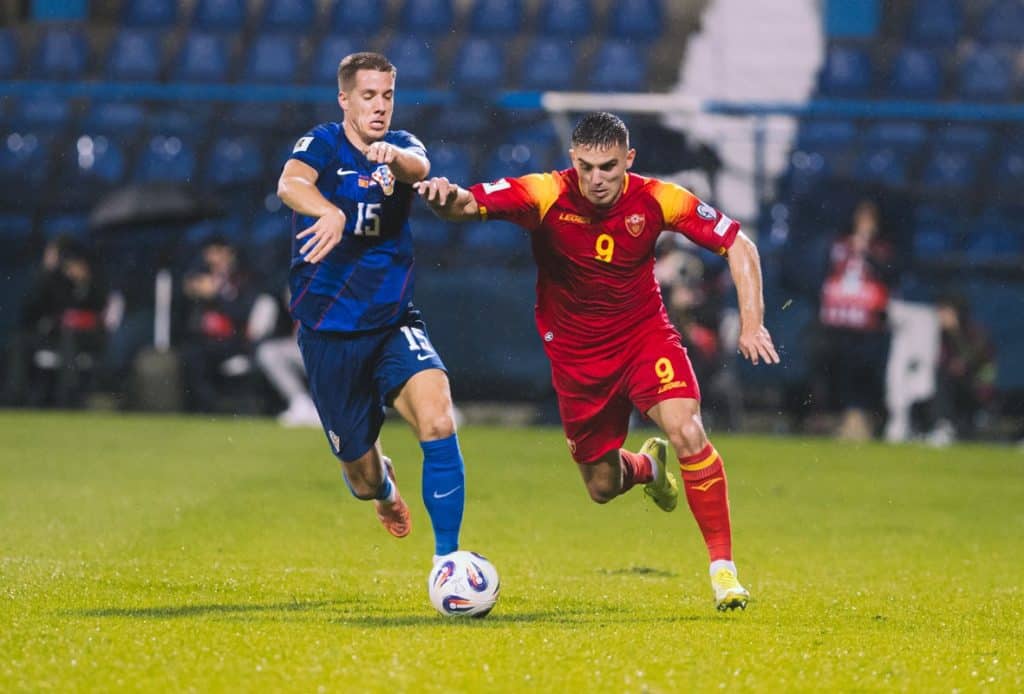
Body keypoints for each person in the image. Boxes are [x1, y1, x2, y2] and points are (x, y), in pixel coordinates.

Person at [415, 112, 779, 610]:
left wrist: (753, 324)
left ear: (629, 160)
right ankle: (646, 468)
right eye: (586, 167)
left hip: (643, 337)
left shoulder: (658, 198)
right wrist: (445, 199)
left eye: (608, 167)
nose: (596, 179)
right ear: (573, 160)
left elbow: (739, 244)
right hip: (578, 357)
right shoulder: (547, 192)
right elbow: (467, 203)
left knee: (687, 429)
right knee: (602, 486)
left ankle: (724, 573)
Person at [276, 52, 466, 564]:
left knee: (438, 420)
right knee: (361, 480)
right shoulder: (322, 143)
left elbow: (418, 167)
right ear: (345, 99)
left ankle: (447, 563)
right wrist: (328, 211)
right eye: (368, 96)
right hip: (329, 333)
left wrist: (394, 160)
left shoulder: (402, 146)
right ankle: (385, 489)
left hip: (391, 321)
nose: (380, 106)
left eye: (387, 96)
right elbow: (290, 183)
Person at [814, 199, 898, 441]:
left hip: (868, 321)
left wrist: (867, 253)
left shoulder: (882, 249)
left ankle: (863, 418)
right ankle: (841, 417)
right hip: (839, 318)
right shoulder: (839, 245)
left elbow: (889, 274)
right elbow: (824, 271)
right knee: (836, 368)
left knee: (864, 370)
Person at [927, 293, 997, 444]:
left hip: (978, 386)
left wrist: (963, 363)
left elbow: (982, 358)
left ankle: (947, 424)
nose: (940, 316)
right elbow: (941, 360)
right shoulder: (942, 335)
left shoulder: (974, 331)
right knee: (938, 377)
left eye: (944, 311)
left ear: (956, 312)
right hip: (957, 386)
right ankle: (943, 425)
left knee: (943, 378)